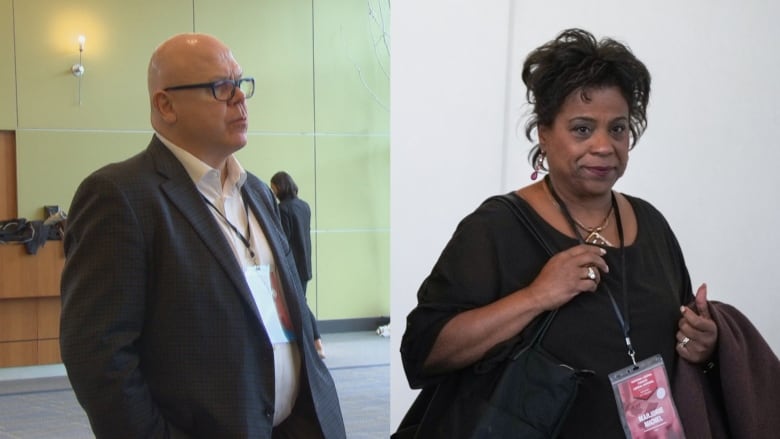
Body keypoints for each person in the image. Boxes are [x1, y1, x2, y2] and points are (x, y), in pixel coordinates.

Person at [397, 28, 780, 438]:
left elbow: (678, 344)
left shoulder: (651, 224)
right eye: (582, 129)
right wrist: (536, 296)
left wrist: (701, 348)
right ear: (544, 133)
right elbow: (423, 353)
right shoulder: (495, 227)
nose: (603, 146)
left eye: (617, 129)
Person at [59, 33, 346, 438]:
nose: (240, 99)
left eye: (241, 84)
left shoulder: (258, 192)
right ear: (166, 104)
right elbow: (99, 356)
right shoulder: (120, 196)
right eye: (220, 87)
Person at [270, 171, 325, 359]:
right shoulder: (305, 206)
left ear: (280, 186)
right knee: (301, 301)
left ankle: (317, 342)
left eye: (274, 186)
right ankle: (314, 342)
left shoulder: (283, 209)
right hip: (305, 262)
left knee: (301, 303)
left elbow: (283, 240)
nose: (273, 190)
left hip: (292, 264)